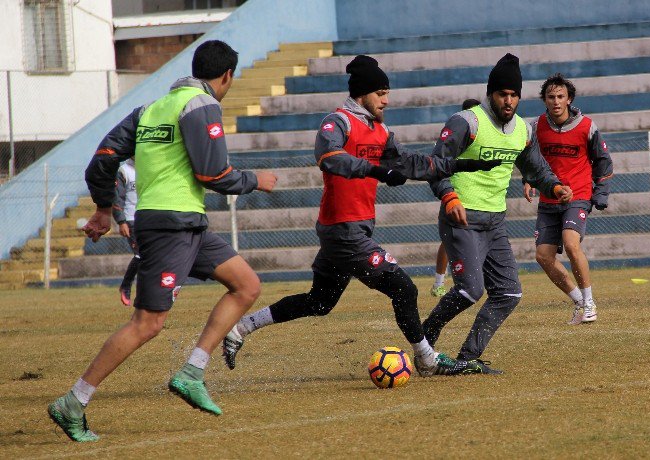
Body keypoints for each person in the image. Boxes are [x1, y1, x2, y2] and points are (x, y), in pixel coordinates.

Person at [47, 40, 278, 442]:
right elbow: (212, 173)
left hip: (183, 223)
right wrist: (256, 180)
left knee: (246, 285)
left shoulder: (150, 109)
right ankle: (74, 401)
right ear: (226, 75)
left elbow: (103, 159)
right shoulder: (201, 105)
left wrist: (104, 208)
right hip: (171, 225)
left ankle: (192, 371)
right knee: (148, 323)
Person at [222, 55, 500, 379]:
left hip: (353, 230)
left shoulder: (380, 130)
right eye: (381, 92)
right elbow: (329, 157)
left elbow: (412, 164)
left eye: (387, 92)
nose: (387, 99)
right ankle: (426, 358)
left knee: (320, 301)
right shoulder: (337, 122)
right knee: (404, 290)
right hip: (344, 231)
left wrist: (461, 164)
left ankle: (241, 327)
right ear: (363, 93)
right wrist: (376, 170)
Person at [421, 54, 573, 375]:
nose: (508, 100)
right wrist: (449, 198)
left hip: (495, 223)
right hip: (460, 217)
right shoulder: (467, 122)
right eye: (502, 93)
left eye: (513, 95)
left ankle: (466, 358)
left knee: (509, 292)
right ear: (491, 93)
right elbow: (436, 166)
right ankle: (424, 340)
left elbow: (537, 169)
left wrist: (555, 186)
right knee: (470, 289)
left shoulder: (523, 130)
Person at [523, 73, 613, 325]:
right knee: (542, 256)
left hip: (579, 195)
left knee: (571, 243)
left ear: (569, 98)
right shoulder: (535, 127)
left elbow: (604, 163)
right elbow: (529, 159)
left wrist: (600, 193)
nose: (555, 101)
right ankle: (578, 302)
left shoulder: (587, 126)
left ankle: (590, 303)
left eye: (560, 96)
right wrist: (528, 180)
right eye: (550, 96)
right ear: (544, 100)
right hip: (549, 198)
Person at [430, 98, 481, 297]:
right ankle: (439, 283)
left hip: (478, 193)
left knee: (472, 238)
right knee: (449, 240)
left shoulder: (481, 133)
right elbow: (440, 161)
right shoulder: (458, 132)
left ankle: (467, 280)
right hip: (457, 192)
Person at [113, 156, 139, 306]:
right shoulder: (124, 171)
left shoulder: (150, 167)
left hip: (149, 218)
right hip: (131, 220)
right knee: (141, 255)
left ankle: (145, 295)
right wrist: (121, 221)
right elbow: (117, 198)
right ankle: (126, 285)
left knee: (150, 258)